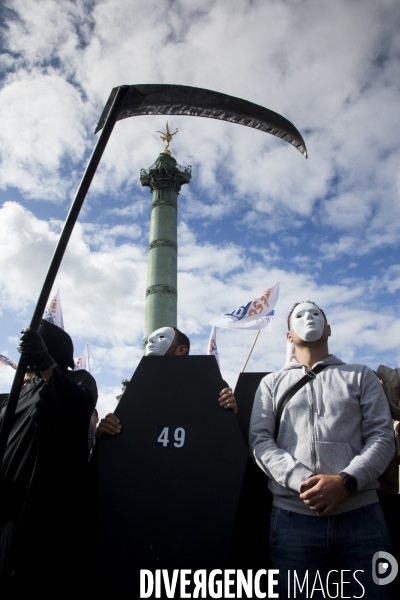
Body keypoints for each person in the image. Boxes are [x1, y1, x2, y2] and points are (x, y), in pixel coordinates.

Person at [249, 301, 395, 599]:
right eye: (300, 315)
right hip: (293, 519)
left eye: (316, 314)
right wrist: (303, 482)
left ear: (328, 329)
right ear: (289, 335)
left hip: (362, 516)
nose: (309, 318)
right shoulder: (271, 383)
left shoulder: (361, 375)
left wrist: (347, 482)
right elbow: (261, 441)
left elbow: (382, 437)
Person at [0, 320, 97, 593]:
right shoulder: (18, 393)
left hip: (40, 516)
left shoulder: (78, 380)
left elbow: (77, 404)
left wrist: (44, 362)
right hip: (7, 505)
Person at [97, 326, 237, 437]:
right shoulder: (137, 385)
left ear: (181, 349)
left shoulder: (208, 381)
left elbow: (225, 429)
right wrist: (104, 431)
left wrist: (232, 411)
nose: (151, 343)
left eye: (161, 337)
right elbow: (124, 429)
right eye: (148, 340)